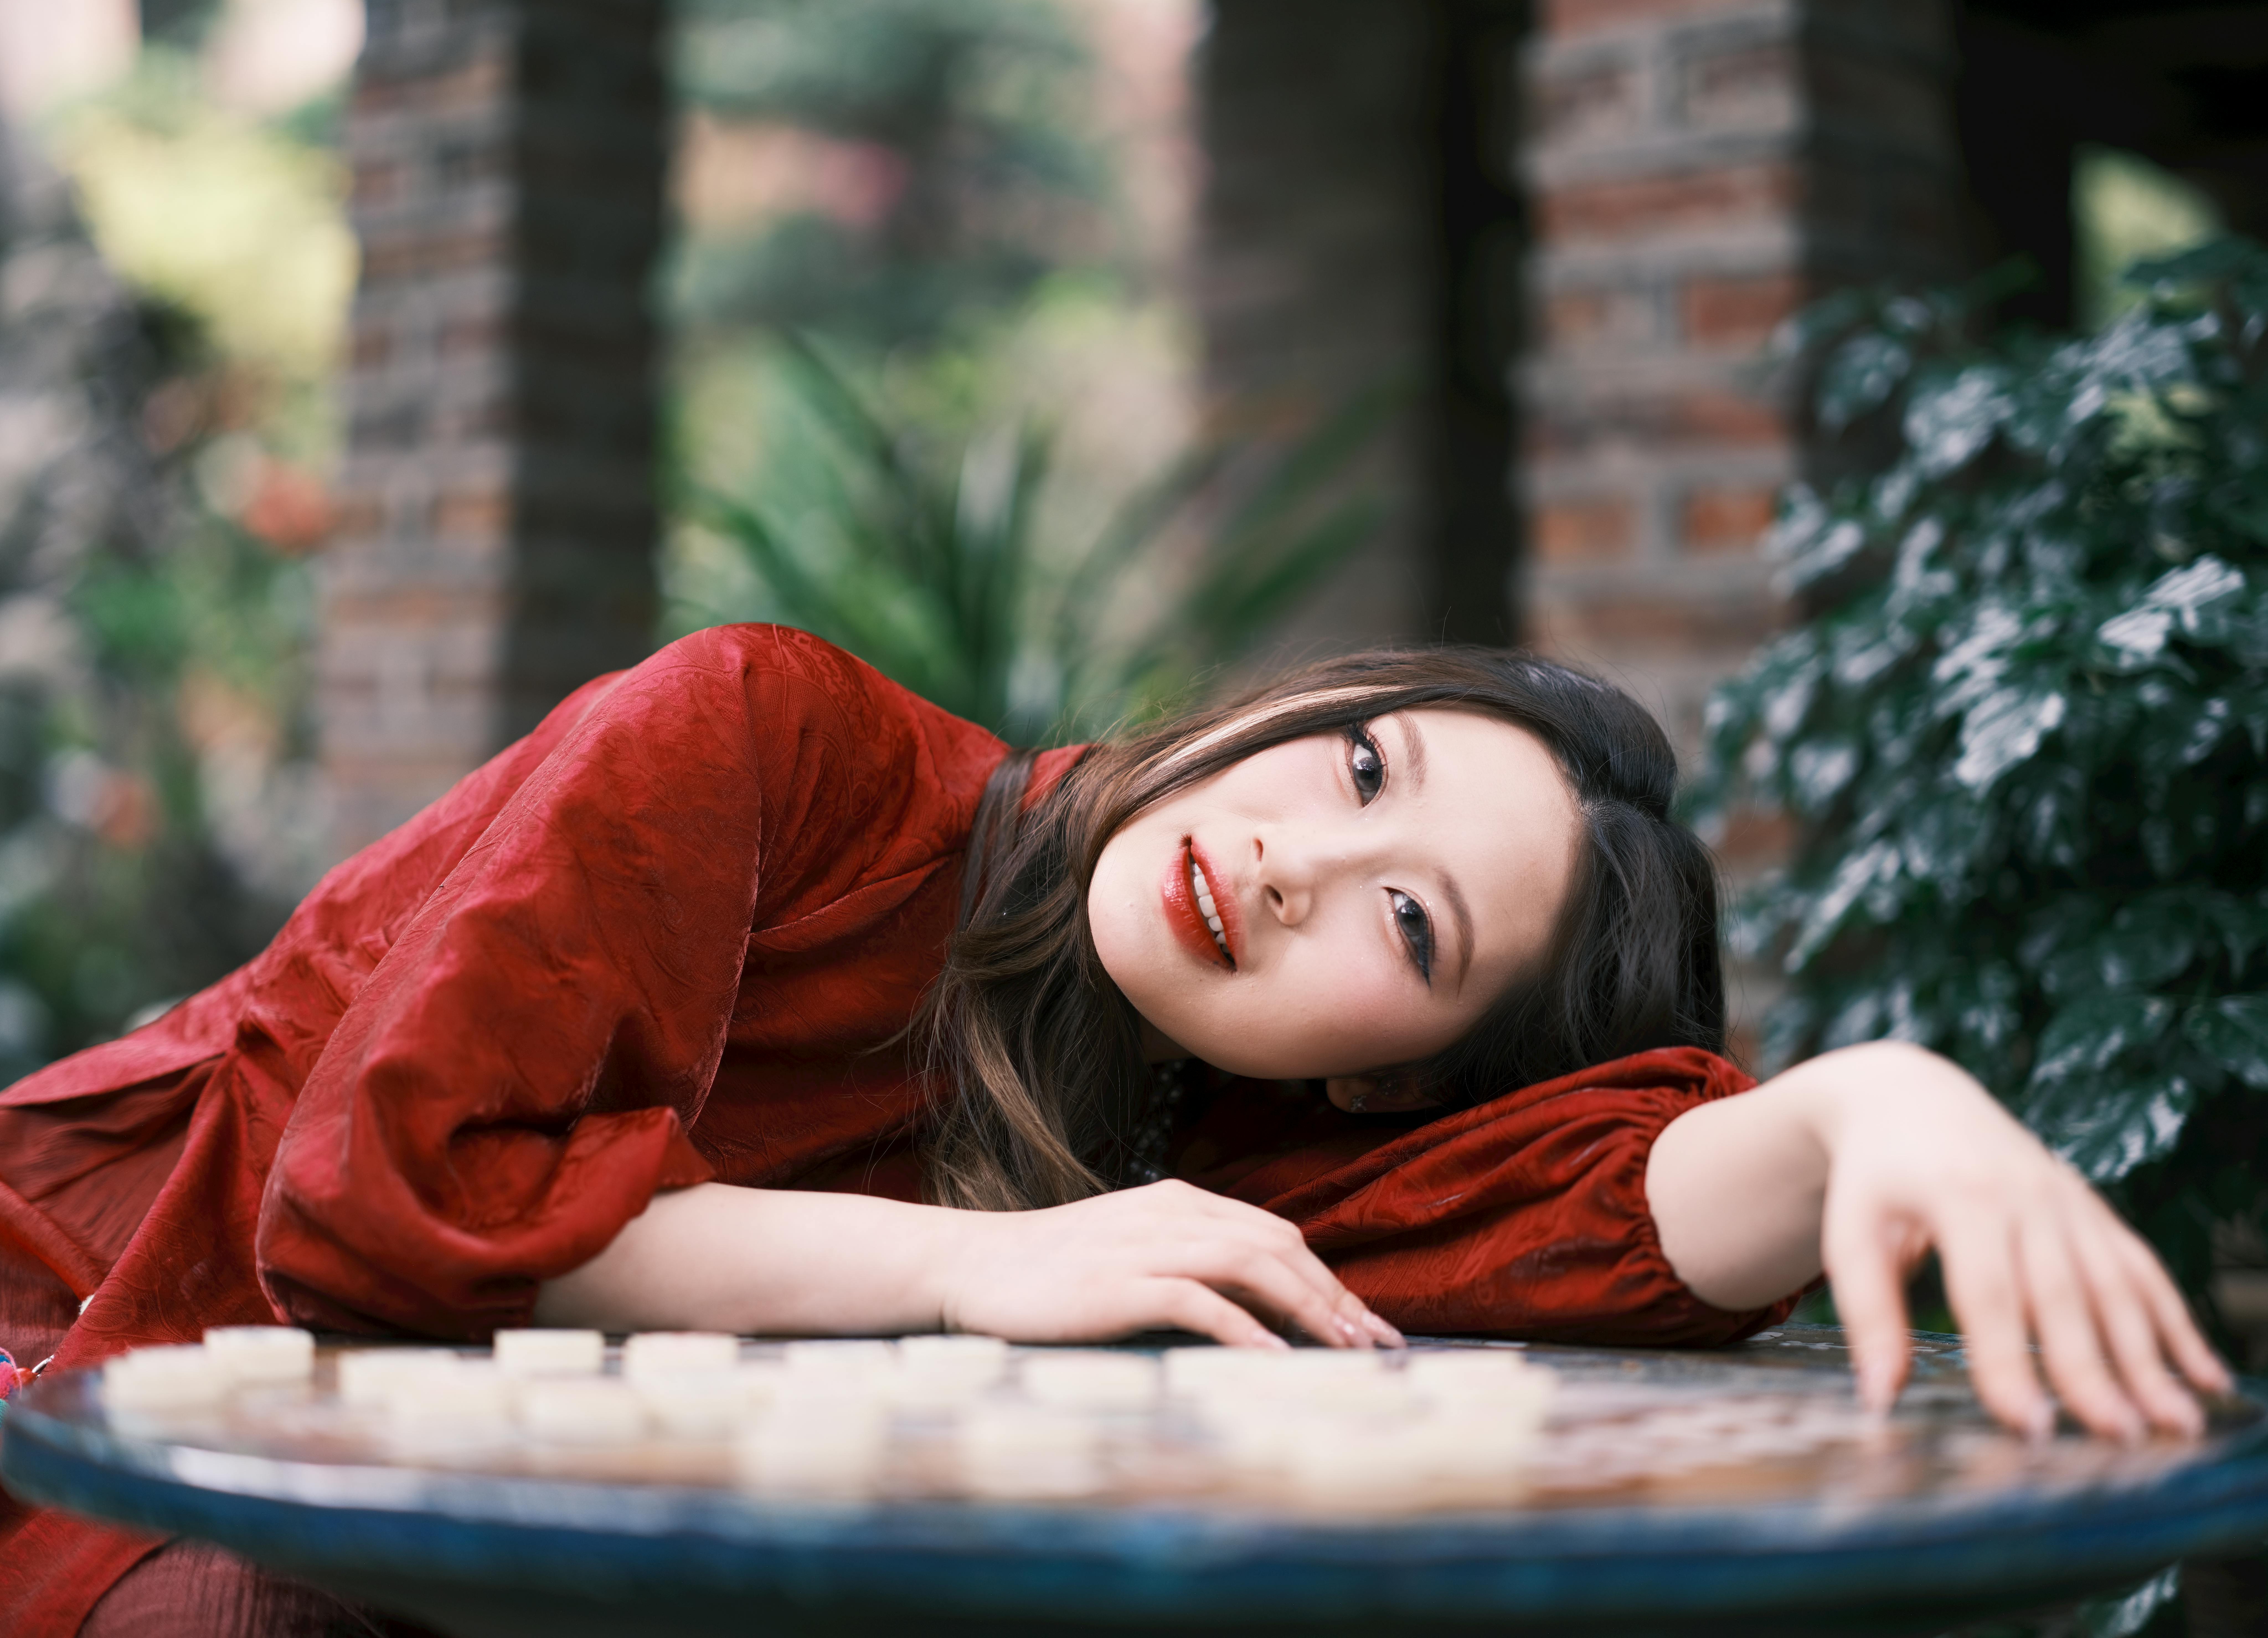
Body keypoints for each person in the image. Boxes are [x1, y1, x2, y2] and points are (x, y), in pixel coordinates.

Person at [0, 626, 2232, 1637]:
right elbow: (390, 1207)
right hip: (84, 1343)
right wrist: (968, 1267)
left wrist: (1881, 1109)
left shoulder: (1210, 1150)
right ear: (1304, 703)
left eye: (1411, 925)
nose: (1290, 865)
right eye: (1355, 775)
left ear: (1385, 1069)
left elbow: (1588, 1219)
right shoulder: (766, 740)